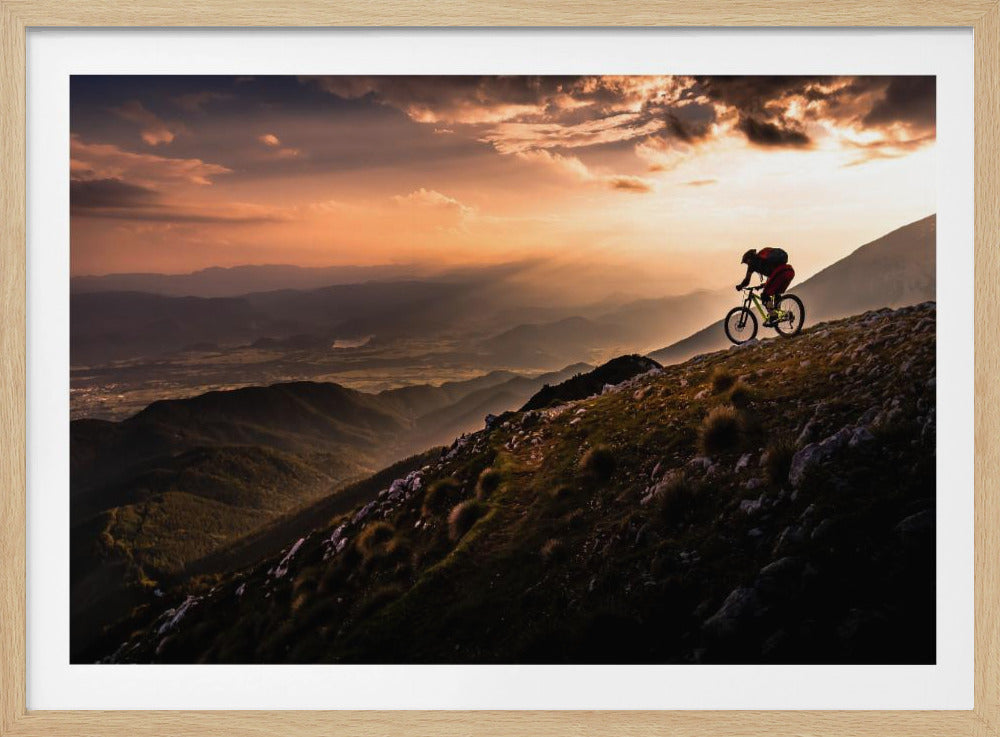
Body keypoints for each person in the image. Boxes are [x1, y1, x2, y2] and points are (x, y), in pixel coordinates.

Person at [736, 247, 796, 327]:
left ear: (749, 259)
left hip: (780, 273)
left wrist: (740, 286)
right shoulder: (762, 259)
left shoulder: (753, 264)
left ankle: (773, 316)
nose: (747, 264)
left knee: (764, 296)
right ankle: (781, 315)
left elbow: (747, 280)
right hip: (788, 271)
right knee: (775, 293)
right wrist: (763, 285)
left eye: (746, 262)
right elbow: (772, 275)